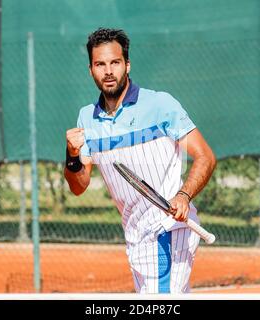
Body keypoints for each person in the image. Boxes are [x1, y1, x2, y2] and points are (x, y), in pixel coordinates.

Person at [64, 28, 216, 293]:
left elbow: (205, 157)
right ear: (91, 69)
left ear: (127, 65)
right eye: (100, 64)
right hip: (135, 236)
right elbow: (78, 186)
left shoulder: (160, 105)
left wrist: (183, 196)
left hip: (169, 231)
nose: (108, 71)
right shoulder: (86, 118)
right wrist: (72, 155)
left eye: (115, 62)